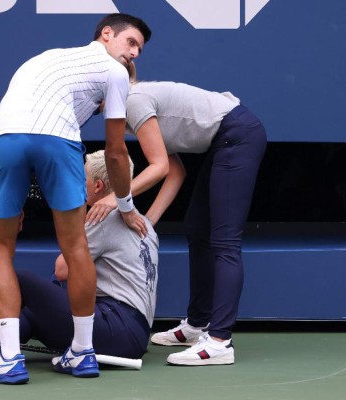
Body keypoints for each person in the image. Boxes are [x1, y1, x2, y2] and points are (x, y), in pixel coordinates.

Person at [0, 12, 152, 384]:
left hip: (6, 139)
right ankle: (82, 354)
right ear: (106, 35)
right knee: (76, 247)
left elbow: (26, 125)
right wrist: (126, 205)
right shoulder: (116, 72)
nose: (134, 53)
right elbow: (116, 154)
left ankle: (7, 358)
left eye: (139, 49)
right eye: (131, 43)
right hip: (58, 142)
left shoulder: (46, 58)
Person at [86, 63, 267, 366]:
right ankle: (198, 325)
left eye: (94, 96)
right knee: (197, 229)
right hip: (225, 140)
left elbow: (159, 168)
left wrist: (117, 199)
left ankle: (220, 340)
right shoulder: (130, 109)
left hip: (237, 135)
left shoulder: (133, 100)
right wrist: (148, 222)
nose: (93, 104)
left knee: (224, 242)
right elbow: (176, 171)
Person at [0, 150, 159, 372]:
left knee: (22, 281)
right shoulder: (144, 222)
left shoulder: (103, 217)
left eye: (81, 177)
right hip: (133, 335)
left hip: (115, 327)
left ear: (97, 186)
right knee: (30, 312)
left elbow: (62, 270)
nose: (77, 183)